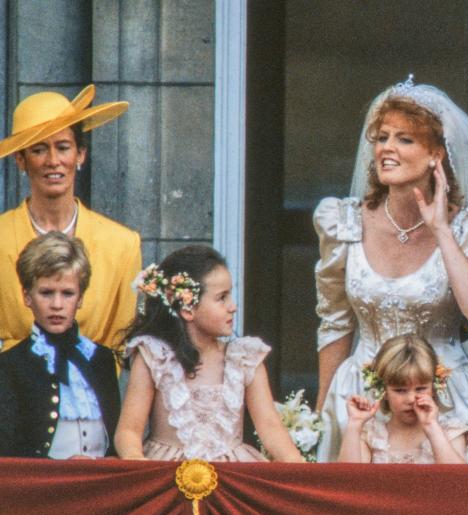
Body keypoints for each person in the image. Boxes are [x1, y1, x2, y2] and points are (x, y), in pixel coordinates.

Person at [314, 78, 468, 463]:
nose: (386, 148)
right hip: (361, 395)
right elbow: (335, 322)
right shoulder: (344, 222)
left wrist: (441, 232)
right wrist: (319, 417)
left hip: (448, 397)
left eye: (405, 139)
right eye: (382, 137)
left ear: (437, 154)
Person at [114, 246, 303, 462]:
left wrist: (297, 465)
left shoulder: (244, 358)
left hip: (232, 473)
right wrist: (136, 459)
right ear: (188, 308)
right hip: (166, 471)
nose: (233, 306)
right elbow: (128, 430)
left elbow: (270, 426)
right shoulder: (155, 356)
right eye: (222, 298)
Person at [0, 85, 141, 352]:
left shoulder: (122, 244)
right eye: (39, 149)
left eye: (63, 147)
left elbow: (118, 342)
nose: (53, 161)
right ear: (20, 160)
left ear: (80, 155)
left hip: (91, 389)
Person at [0, 232, 120, 458]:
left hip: (102, 486)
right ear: (27, 296)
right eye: (46, 293)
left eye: (67, 294)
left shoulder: (101, 358)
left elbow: (115, 436)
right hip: (44, 488)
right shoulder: (10, 365)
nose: (57, 304)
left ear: (81, 298)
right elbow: (8, 450)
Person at [338, 334, 468, 464]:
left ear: (434, 387)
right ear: (383, 390)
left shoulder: (450, 432)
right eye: (400, 390)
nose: (411, 399)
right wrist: (355, 424)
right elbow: (348, 480)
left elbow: (458, 481)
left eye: (420, 389)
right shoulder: (371, 434)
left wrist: (431, 426)